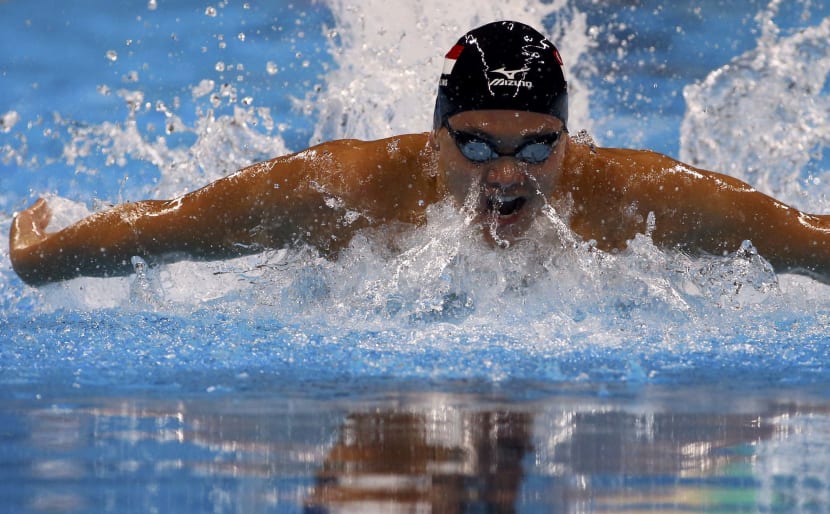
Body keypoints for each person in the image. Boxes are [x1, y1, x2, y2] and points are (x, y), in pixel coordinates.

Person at [9, 20, 830, 286]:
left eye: (536, 149)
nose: (505, 176)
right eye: (474, 144)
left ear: (569, 143)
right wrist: (41, 258)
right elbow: (166, 228)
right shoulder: (344, 190)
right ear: (435, 137)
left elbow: (804, 238)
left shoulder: (639, 199)